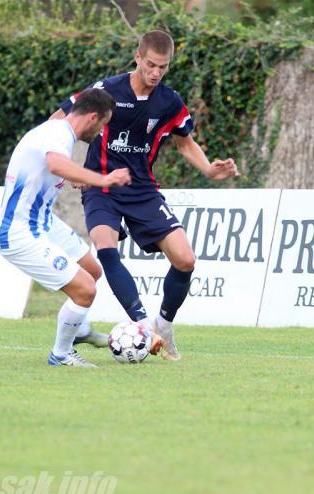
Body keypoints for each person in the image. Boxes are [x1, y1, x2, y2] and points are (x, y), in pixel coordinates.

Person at [50, 29, 240, 361]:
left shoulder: (169, 102)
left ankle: (163, 324)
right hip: (102, 188)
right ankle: (142, 324)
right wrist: (70, 167)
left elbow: (184, 142)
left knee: (185, 260)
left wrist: (209, 169)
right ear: (137, 57)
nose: (155, 73)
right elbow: (60, 120)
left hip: (142, 191)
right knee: (106, 250)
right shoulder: (106, 90)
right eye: (150, 64)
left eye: (162, 68)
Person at [0, 88, 131, 368]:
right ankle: (61, 353)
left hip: (44, 222)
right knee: (85, 290)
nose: (102, 131)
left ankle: (79, 329)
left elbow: (50, 168)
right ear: (93, 118)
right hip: (19, 231)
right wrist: (103, 180)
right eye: (103, 125)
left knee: (93, 271)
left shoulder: (57, 130)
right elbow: (56, 165)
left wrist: (81, 178)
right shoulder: (58, 135)